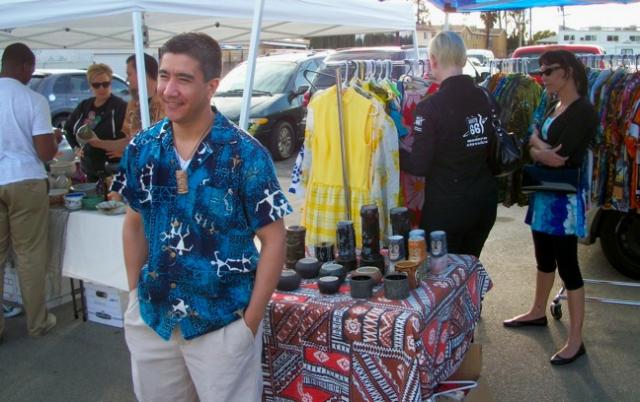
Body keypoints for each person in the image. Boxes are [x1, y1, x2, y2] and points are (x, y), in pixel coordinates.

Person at [119, 32, 291, 401]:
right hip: (154, 320)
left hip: (222, 324)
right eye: (164, 76)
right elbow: (133, 223)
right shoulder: (142, 149)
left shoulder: (245, 154)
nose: (169, 90)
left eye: (184, 79)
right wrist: (134, 295)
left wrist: (250, 323)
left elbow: (275, 239)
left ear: (211, 86)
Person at [503, 50, 598, 366]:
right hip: (544, 194)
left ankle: (576, 340)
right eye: (541, 71)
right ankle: (537, 311)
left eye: (548, 71)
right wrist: (539, 151)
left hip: (564, 201)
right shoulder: (553, 105)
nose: (542, 77)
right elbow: (532, 141)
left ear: (567, 71)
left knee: (568, 265)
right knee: (543, 257)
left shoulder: (583, 111)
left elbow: (563, 156)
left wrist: (537, 149)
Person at [399, 31, 498, 258]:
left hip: (447, 208)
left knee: (441, 274)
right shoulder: (486, 97)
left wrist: (393, 151)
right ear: (463, 59)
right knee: (469, 267)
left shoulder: (430, 107)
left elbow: (420, 164)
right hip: (484, 202)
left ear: (433, 60)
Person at [0, 42, 60, 340]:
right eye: (31, 69)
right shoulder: (33, 100)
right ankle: (38, 322)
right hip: (25, 179)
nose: (31, 75)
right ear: (24, 66)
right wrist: (54, 138)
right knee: (30, 255)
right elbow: (46, 152)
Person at [90, 53, 164, 160]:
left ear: (142, 73)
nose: (127, 80)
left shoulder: (167, 101)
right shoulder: (132, 105)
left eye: (129, 74)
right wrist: (99, 143)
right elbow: (129, 140)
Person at [63, 63, 127, 181]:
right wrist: (75, 148)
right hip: (89, 169)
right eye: (96, 85)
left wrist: (124, 151)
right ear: (90, 86)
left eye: (105, 84)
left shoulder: (120, 106)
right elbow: (67, 128)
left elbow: (134, 136)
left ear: (111, 83)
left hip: (113, 169)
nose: (101, 88)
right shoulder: (84, 106)